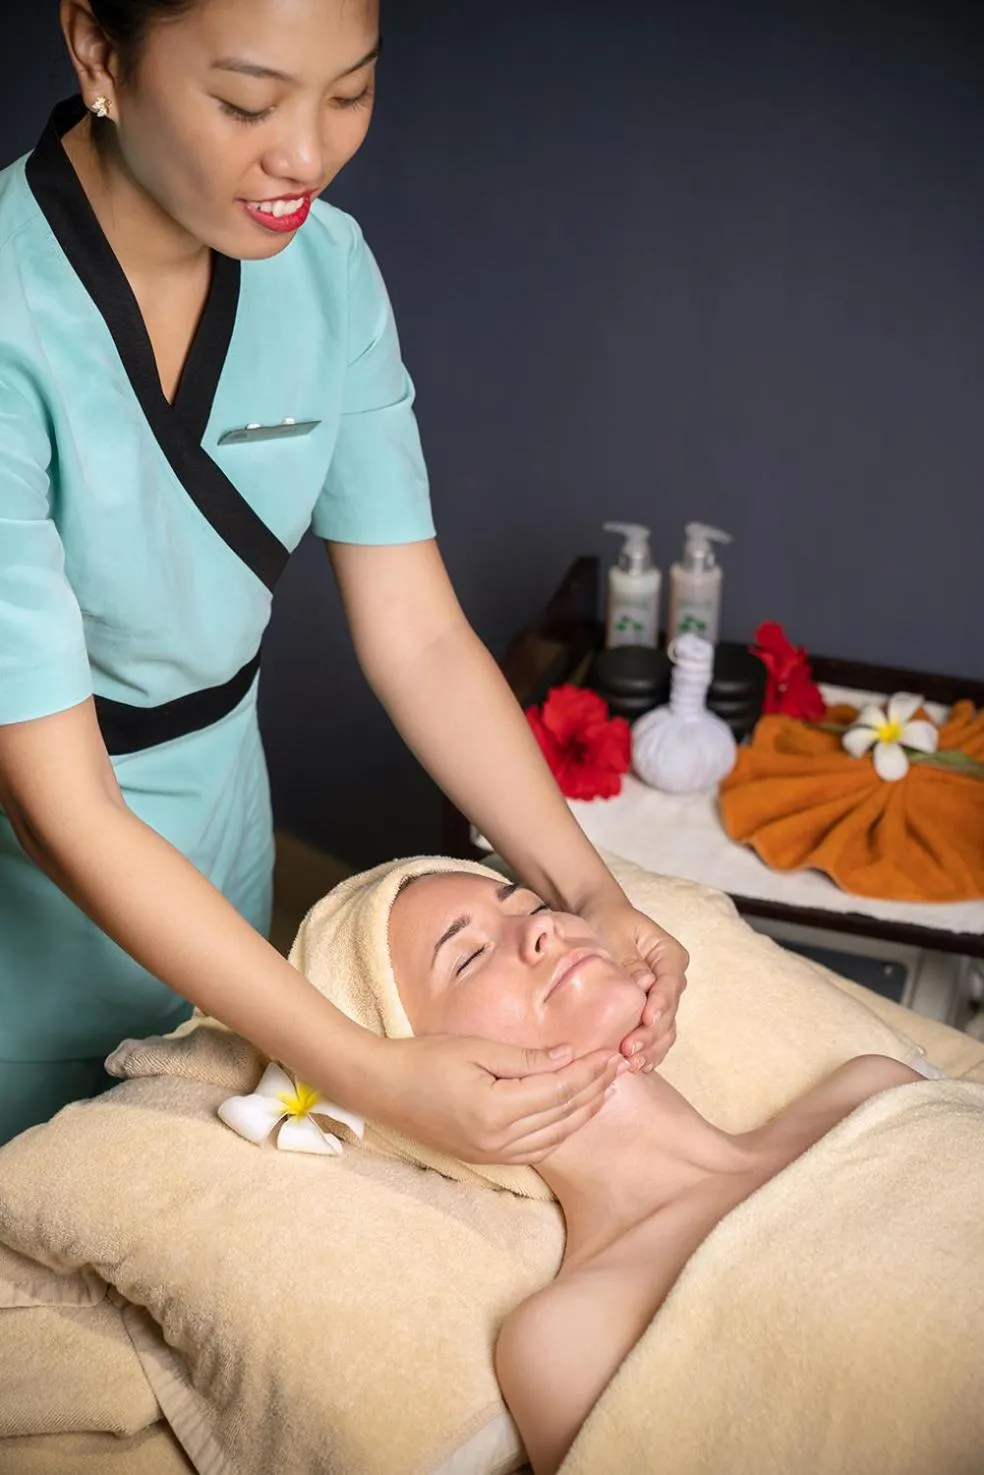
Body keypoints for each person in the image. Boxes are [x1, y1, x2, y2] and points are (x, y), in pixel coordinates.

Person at [0, 0, 694, 1146]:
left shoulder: (326, 270)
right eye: (246, 103)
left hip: (222, 847)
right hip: (30, 907)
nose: (306, 156)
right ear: (96, 51)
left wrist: (590, 891)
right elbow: (60, 806)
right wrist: (368, 1070)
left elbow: (418, 634)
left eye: (352, 91)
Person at [387, 868, 926, 1475]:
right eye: (469, 957)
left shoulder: (872, 1091)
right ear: (423, 1087)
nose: (539, 927)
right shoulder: (567, 1338)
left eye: (530, 903)